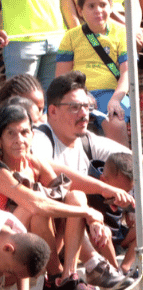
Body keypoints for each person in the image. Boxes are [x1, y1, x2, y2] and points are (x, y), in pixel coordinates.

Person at [32, 71, 143, 279]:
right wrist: (104, 188)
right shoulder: (40, 136)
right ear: (53, 111)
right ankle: (92, 268)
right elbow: (45, 167)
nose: (84, 114)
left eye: (86, 106)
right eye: (74, 107)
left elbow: (140, 160)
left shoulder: (87, 140)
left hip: (93, 227)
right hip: (54, 234)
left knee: (136, 172)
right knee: (75, 197)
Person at [0, 104, 114, 290]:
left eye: (24, 132)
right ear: (0, 139)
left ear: (32, 135)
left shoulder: (33, 162)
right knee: (38, 207)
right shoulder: (1, 170)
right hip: (9, 246)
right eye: (11, 133)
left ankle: (69, 275)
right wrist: (87, 212)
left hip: (42, 243)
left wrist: (93, 220)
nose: (19, 139)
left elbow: (64, 194)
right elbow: (36, 204)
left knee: (75, 196)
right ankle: (55, 275)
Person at [56, 0, 129, 145]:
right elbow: (62, 77)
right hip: (79, 94)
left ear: (111, 7)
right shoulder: (70, 37)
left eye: (103, 4)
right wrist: (82, 94)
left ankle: (125, 168)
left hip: (113, 93)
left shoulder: (122, 33)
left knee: (116, 124)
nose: (98, 10)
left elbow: (127, 72)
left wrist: (115, 100)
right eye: (91, 6)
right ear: (80, 10)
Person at [0, 211, 51, 290]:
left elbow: (21, 266)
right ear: (7, 248)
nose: (6, 275)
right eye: (9, 270)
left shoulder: (17, 232)